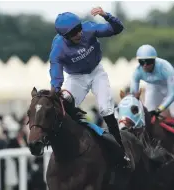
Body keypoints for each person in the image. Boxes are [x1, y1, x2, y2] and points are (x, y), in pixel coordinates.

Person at [49, 7, 130, 166]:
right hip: (76, 78)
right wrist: (55, 89)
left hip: (96, 73)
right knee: (63, 105)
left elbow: (117, 29)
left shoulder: (89, 28)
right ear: (64, 36)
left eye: (79, 29)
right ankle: (71, 149)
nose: (78, 34)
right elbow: (55, 71)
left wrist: (106, 16)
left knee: (106, 109)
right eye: (73, 33)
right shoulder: (58, 48)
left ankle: (121, 150)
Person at [130, 44, 174, 152]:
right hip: (154, 87)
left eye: (148, 62)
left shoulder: (165, 67)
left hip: (173, 87)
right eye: (141, 62)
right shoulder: (137, 72)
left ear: (154, 61)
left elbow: (172, 95)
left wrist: (160, 109)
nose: (144, 65)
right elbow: (133, 95)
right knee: (148, 114)